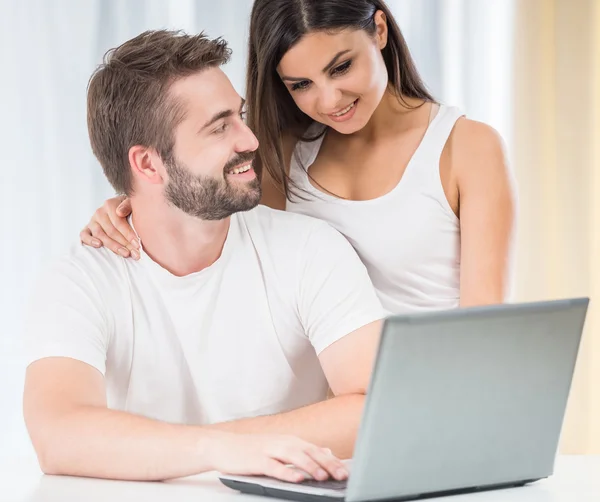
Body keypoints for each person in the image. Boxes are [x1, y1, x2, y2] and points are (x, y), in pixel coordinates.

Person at [23, 30, 384, 482]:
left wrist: (215, 447)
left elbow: (378, 405)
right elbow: (57, 434)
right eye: (219, 127)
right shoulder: (80, 280)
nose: (249, 139)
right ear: (148, 165)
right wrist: (222, 449)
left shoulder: (310, 249)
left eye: (241, 116)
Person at [82, 0, 516, 313]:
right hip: (324, 408)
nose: (330, 100)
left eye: (342, 67)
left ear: (379, 30)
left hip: (433, 395)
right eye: (300, 84)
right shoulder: (283, 153)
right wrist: (128, 207)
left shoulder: (466, 148)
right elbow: (212, 244)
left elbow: (483, 328)